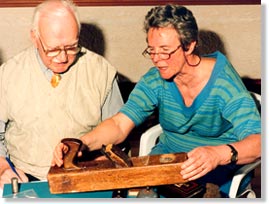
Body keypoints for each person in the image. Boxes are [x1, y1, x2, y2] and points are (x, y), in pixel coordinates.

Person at [52, 4, 261, 197]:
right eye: (151, 50)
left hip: (215, 169)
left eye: (165, 51)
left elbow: (259, 142)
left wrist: (217, 155)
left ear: (189, 46)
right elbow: (119, 123)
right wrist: (81, 144)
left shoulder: (224, 84)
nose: (157, 59)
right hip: (166, 162)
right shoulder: (155, 80)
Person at [0, 0, 124, 189]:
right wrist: (3, 168)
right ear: (34, 37)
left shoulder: (101, 72)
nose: (63, 57)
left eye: (71, 47)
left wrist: (100, 166)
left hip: (84, 175)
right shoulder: (8, 74)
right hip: (25, 178)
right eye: (53, 49)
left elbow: (117, 135)